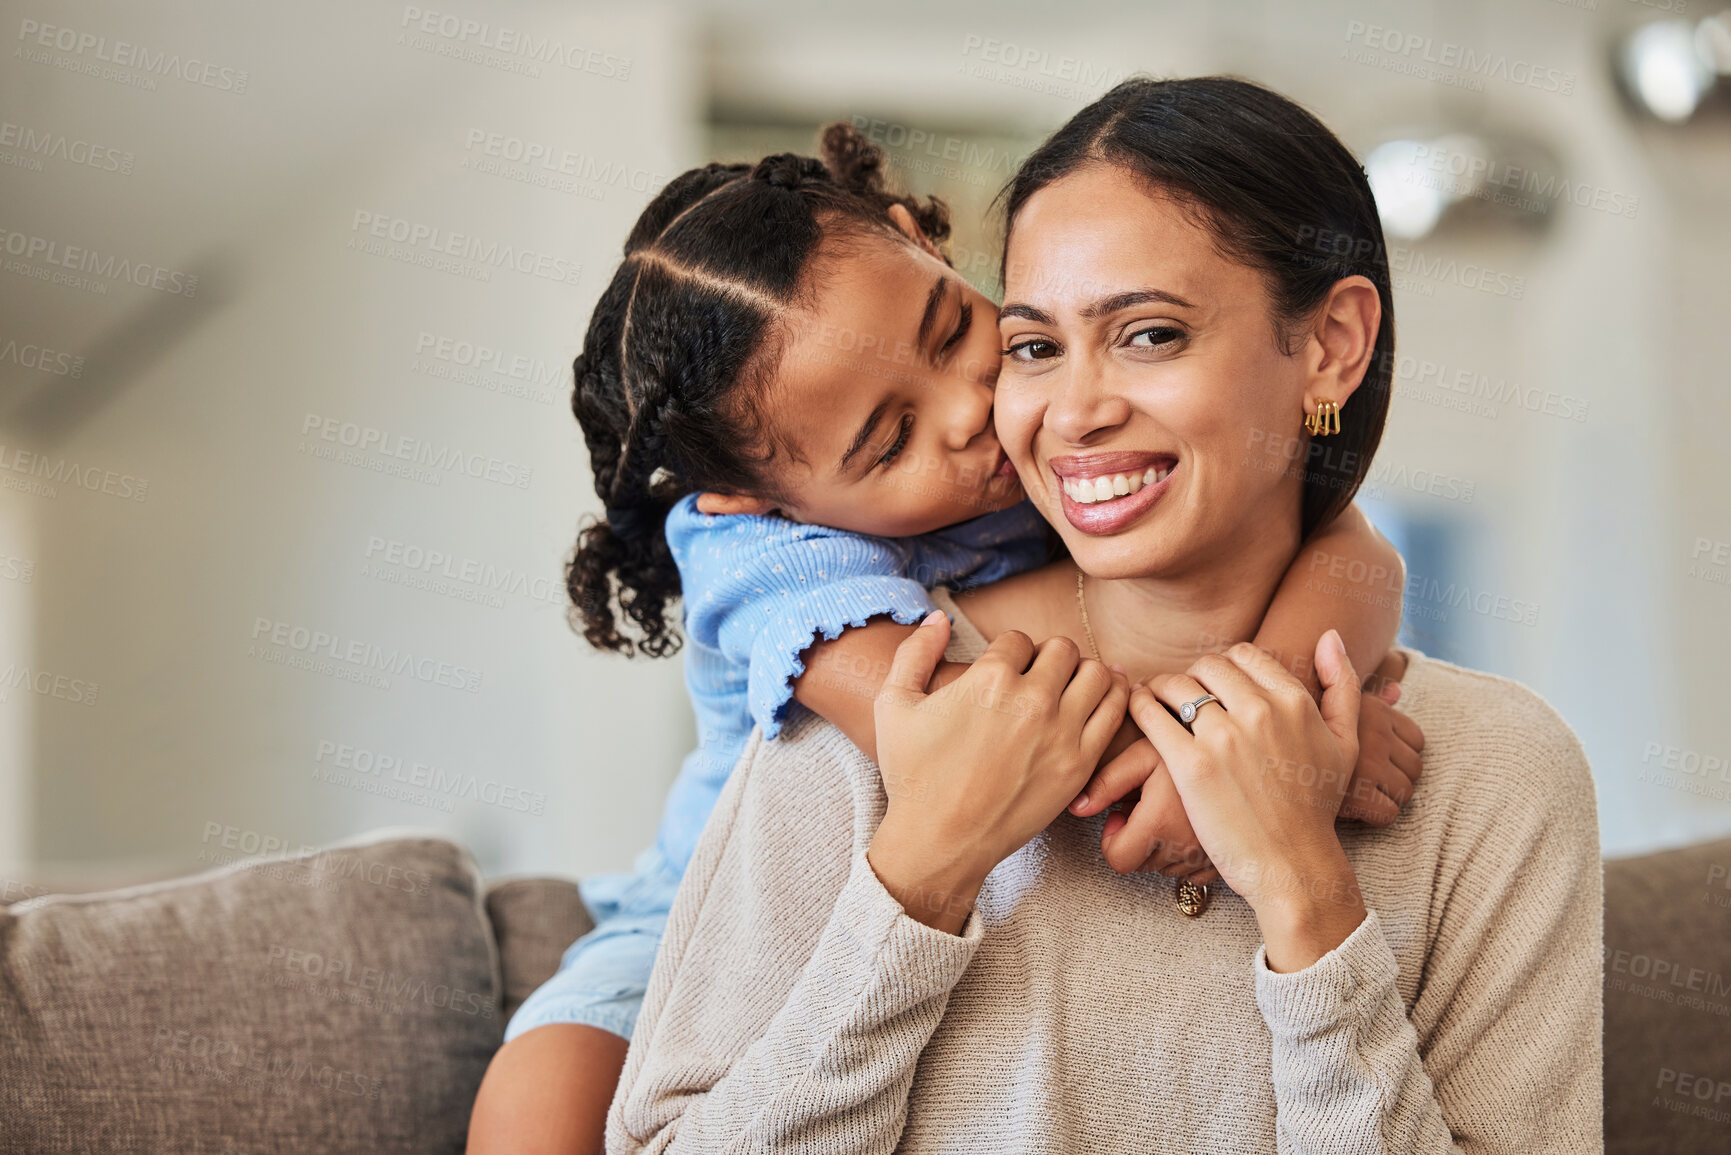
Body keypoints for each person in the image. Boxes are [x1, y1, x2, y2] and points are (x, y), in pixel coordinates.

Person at [605, 76, 1602, 1153]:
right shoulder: (876, 708)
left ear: (1332, 346)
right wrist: (922, 878)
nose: (1072, 413)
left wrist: (1308, 899)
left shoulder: (1495, 775)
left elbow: (1356, 552)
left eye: (1151, 335)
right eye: (1035, 347)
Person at [467, 121, 1426, 1154]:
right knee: (541, 1098)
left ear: (919, 238)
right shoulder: (754, 555)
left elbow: (1349, 545)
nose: (972, 411)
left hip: (950, 932)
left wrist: (1277, 692)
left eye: (950, 328)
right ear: (757, 496)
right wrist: (1240, 761)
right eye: (890, 440)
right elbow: (972, 743)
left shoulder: (1058, 444)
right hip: (708, 927)